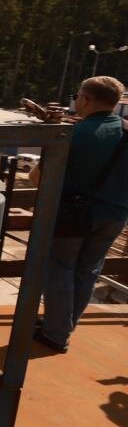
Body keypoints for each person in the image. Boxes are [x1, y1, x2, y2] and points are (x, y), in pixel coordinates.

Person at [33, 75, 128, 352]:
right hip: (116, 214)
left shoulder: (75, 134)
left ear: (85, 99)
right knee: (87, 271)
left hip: (75, 214)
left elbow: (39, 178)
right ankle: (63, 325)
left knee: (60, 269)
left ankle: (56, 333)